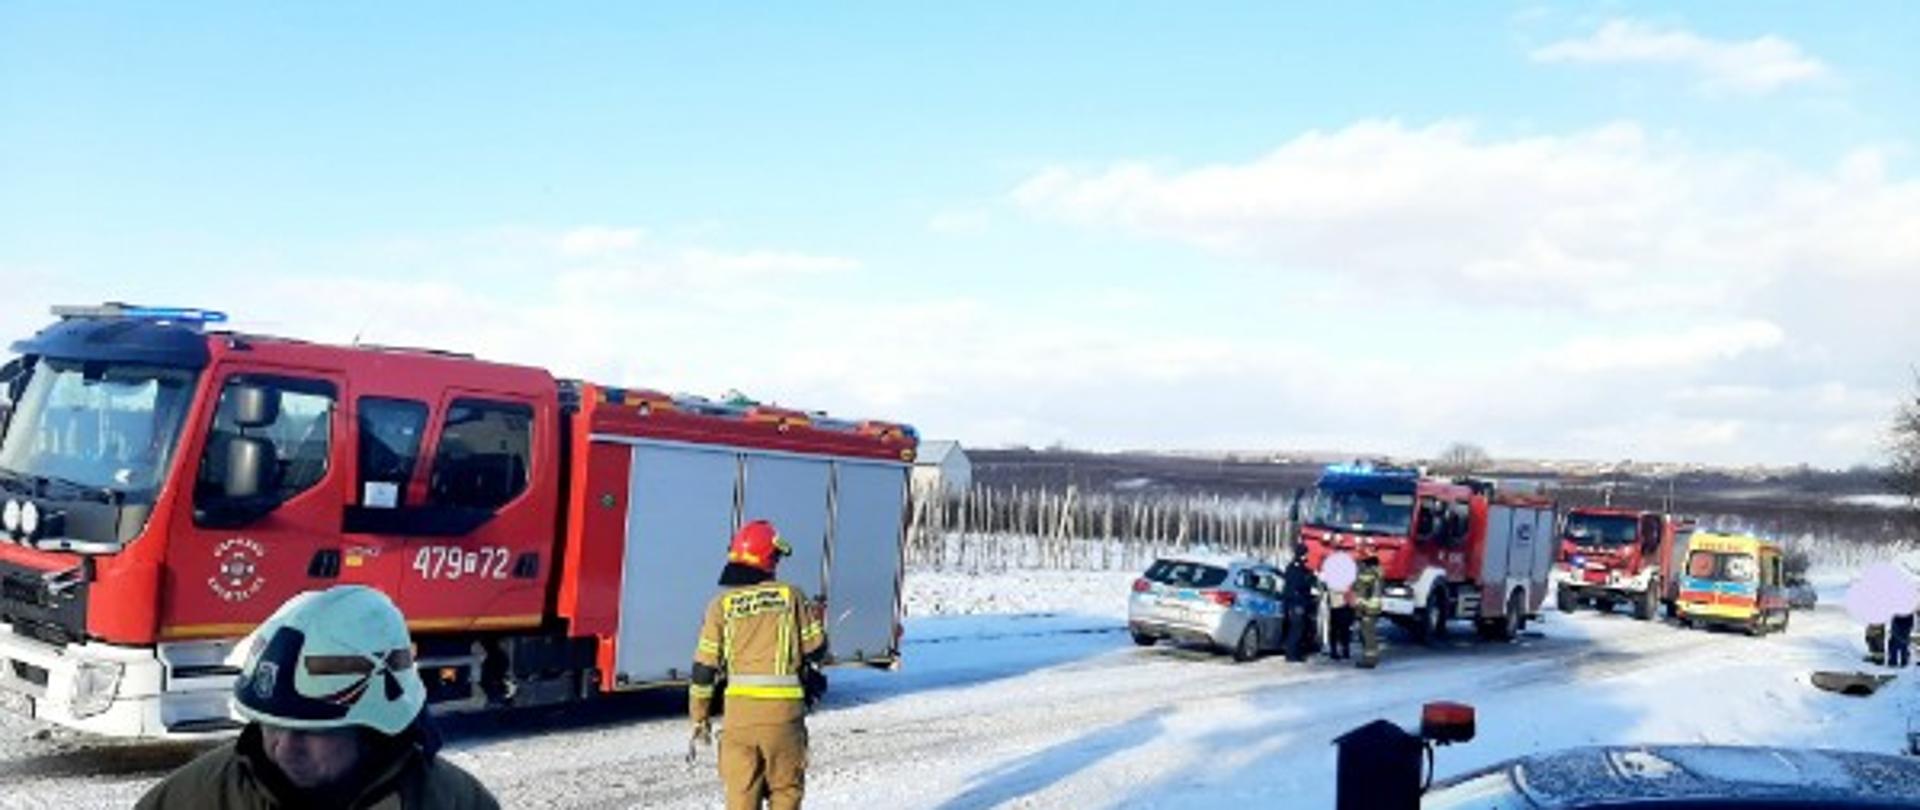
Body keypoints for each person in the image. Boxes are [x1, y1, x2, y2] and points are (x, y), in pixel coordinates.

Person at [137, 586, 499, 809]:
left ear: (373, 732)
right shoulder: (197, 799)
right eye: (271, 726)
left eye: (310, 731)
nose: (283, 747)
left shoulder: (453, 802)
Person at [690, 520, 829, 810]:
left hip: (739, 720)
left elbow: (703, 669)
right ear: (769, 559)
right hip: (784, 720)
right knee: (785, 793)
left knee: (741, 797)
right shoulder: (791, 596)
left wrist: (700, 717)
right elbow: (816, 651)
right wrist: (816, 620)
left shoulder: (720, 606)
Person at [1280, 547, 1318, 663]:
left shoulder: (1297, 567)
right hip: (1296, 602)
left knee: (1298, 629)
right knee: (1296, 629)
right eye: (1305, 554)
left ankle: (1295, 653)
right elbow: (1299, 584)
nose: (1306, 557)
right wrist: (1309, 579)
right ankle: (1292, 655)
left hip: (1297, 601)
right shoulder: (1295, 568)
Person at [1354, 552, 1384, 669]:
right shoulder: (1378, 574)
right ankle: (1371, 657)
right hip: (1373, 608)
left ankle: (1369, 660)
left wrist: (1360, 608)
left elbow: (1361, 591)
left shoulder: (1368, 575)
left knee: (1367, 634)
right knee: (1368, 633)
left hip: (1367, 609)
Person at [1327, 578, 1356, 662]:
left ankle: (1342, 650)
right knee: (1338, 629)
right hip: (1338, 605)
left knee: (1343, 629)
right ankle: (1337, 650)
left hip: (1342, 605)